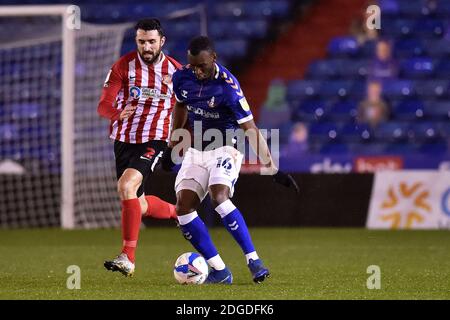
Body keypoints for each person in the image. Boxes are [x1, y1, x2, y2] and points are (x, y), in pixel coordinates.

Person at [162, 36, 299, 284]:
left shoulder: (229, 88)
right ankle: (220, 271)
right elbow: (180, 106)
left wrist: (271, 167)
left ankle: (254, 261)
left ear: (213, 58)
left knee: (219, 196)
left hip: (225, 148)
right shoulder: (182, 77)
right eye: (193, 66)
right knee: (183, 209)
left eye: (202, 65)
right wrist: (174, 143)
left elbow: (250, 128)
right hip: (196, 150)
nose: (197, 71)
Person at [97, 18, 182, 277]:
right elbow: (103, 106)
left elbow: (186, 108)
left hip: (154, 140)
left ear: (162, 42)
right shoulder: (123, 66)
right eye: (141, 41)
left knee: (126, 186)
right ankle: (181, 212)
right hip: (124, 141)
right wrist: (117, 113)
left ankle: (128, 257)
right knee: (139, 203)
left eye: (151, 42)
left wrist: (176, 142)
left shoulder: (176, 73)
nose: (146, 47)